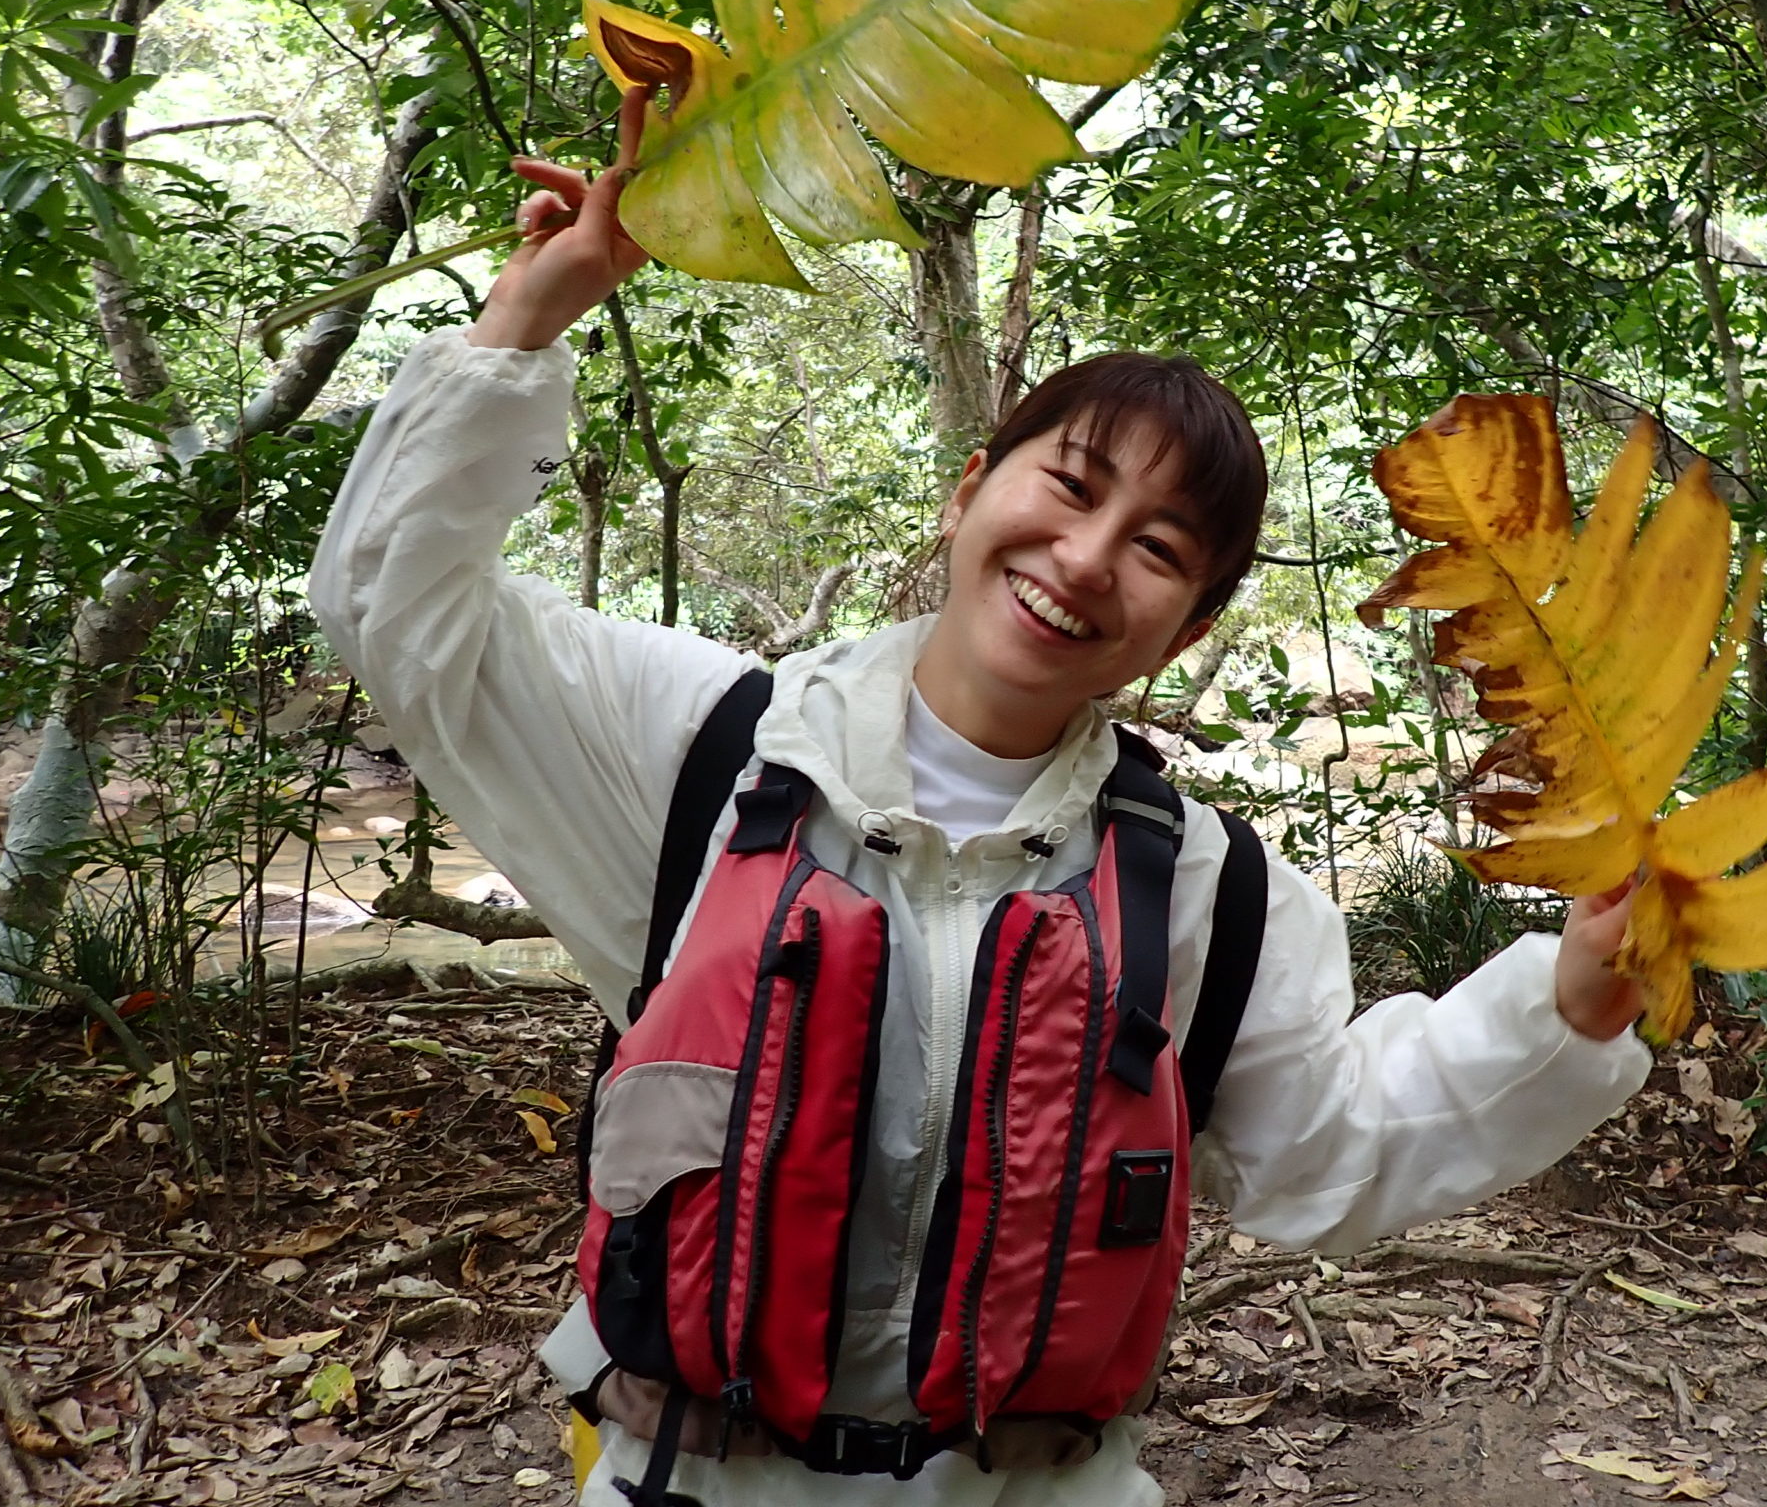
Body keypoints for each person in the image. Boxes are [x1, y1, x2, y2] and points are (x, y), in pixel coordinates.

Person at [308, 158, 1653, 1506]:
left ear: (1184, 632)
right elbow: (400, 616)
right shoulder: (701, 752)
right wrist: (528, 317)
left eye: (1156, 547)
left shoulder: (1206, 890)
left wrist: (1564, 1010)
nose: (1082, 558)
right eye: (1068, 487)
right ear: (968, 491)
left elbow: (1333, 1149)